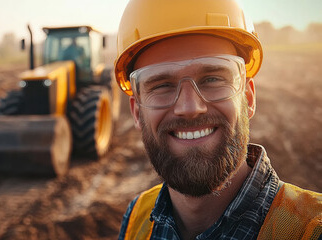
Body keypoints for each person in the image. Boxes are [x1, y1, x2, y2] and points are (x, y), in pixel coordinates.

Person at [114, 0, 322, 239]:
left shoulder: (312, 228)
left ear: (248, 96)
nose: (190, 108)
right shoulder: (136, 220)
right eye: (162, 85)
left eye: (212, 79)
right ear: (137, 112)